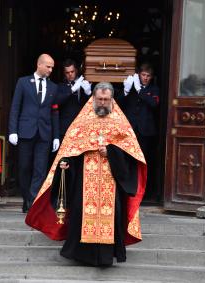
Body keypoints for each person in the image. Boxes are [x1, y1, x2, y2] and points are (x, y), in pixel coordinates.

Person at [26, 82, 147, 266]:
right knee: (81, 212)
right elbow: (70, 147)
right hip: (85, 178)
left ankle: (106, 257)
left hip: (111, 178)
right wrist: (66, 161)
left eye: (106, 100)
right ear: (93, 99)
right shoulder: (82, 121)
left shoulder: (120, 123)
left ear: (112, 100)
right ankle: (81, 255)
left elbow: (132, 153)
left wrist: (112, 152)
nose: (103, 103)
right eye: (99, 99)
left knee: (111, 215)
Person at [8, 54, 60, 213]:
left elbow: (54, 112)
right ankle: (26, 198)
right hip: (25, 131)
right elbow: (15, 107)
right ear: (39, 65)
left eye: (52, 67)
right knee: (24, 167)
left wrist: (56, 135)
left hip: (44, 133)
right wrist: (12, 131)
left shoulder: (53, 87)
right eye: (48, 66)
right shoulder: (23, 82)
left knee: (40, 169)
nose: (51, 70)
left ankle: (33, 201)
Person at [119, 63, 159, 198]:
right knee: (127, 159)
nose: (145, 78)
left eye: (148, 76)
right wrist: (126, 90)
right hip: (130, 130)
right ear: (139, 74)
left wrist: (140, 90)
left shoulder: (154, 89)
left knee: (142, 161)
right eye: (143, 75)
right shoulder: (131, 87)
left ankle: (142, 191)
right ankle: (128, 189)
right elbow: (119, 103)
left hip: (145, 131)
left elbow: (154, 103)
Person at [56, 58, 92, 141]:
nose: (70, 74)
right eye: (67, 72)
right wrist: (72, 89)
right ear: (64, 74)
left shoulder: (84, 83)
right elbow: (58, 101)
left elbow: (91, 105)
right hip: (65, 128)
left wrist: (88, 92)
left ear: (76, 70)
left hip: (81, 127)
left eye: (72, 71)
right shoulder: (60, 86)